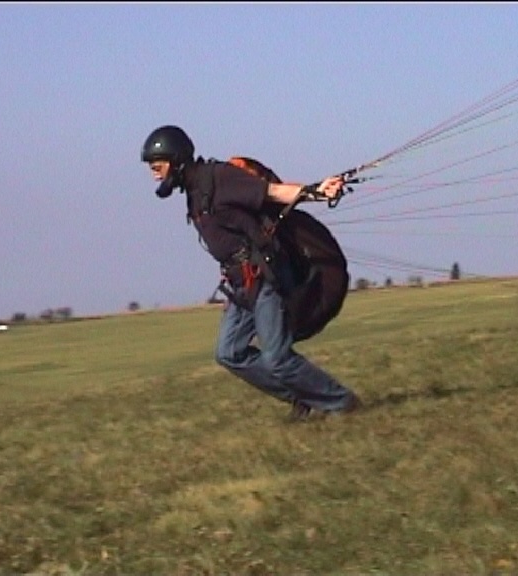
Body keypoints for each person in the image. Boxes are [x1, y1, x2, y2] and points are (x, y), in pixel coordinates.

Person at [140, 125, 362, 421]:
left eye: (158, 166)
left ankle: (342, 403)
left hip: (262, 277)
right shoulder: (195, 192)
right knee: (229, 353)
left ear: (177, 160)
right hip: (238, 284)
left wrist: (317, 191)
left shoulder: (219, 177)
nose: (154, 174)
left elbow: (273, 193)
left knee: (277, 358)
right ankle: (301, 396)